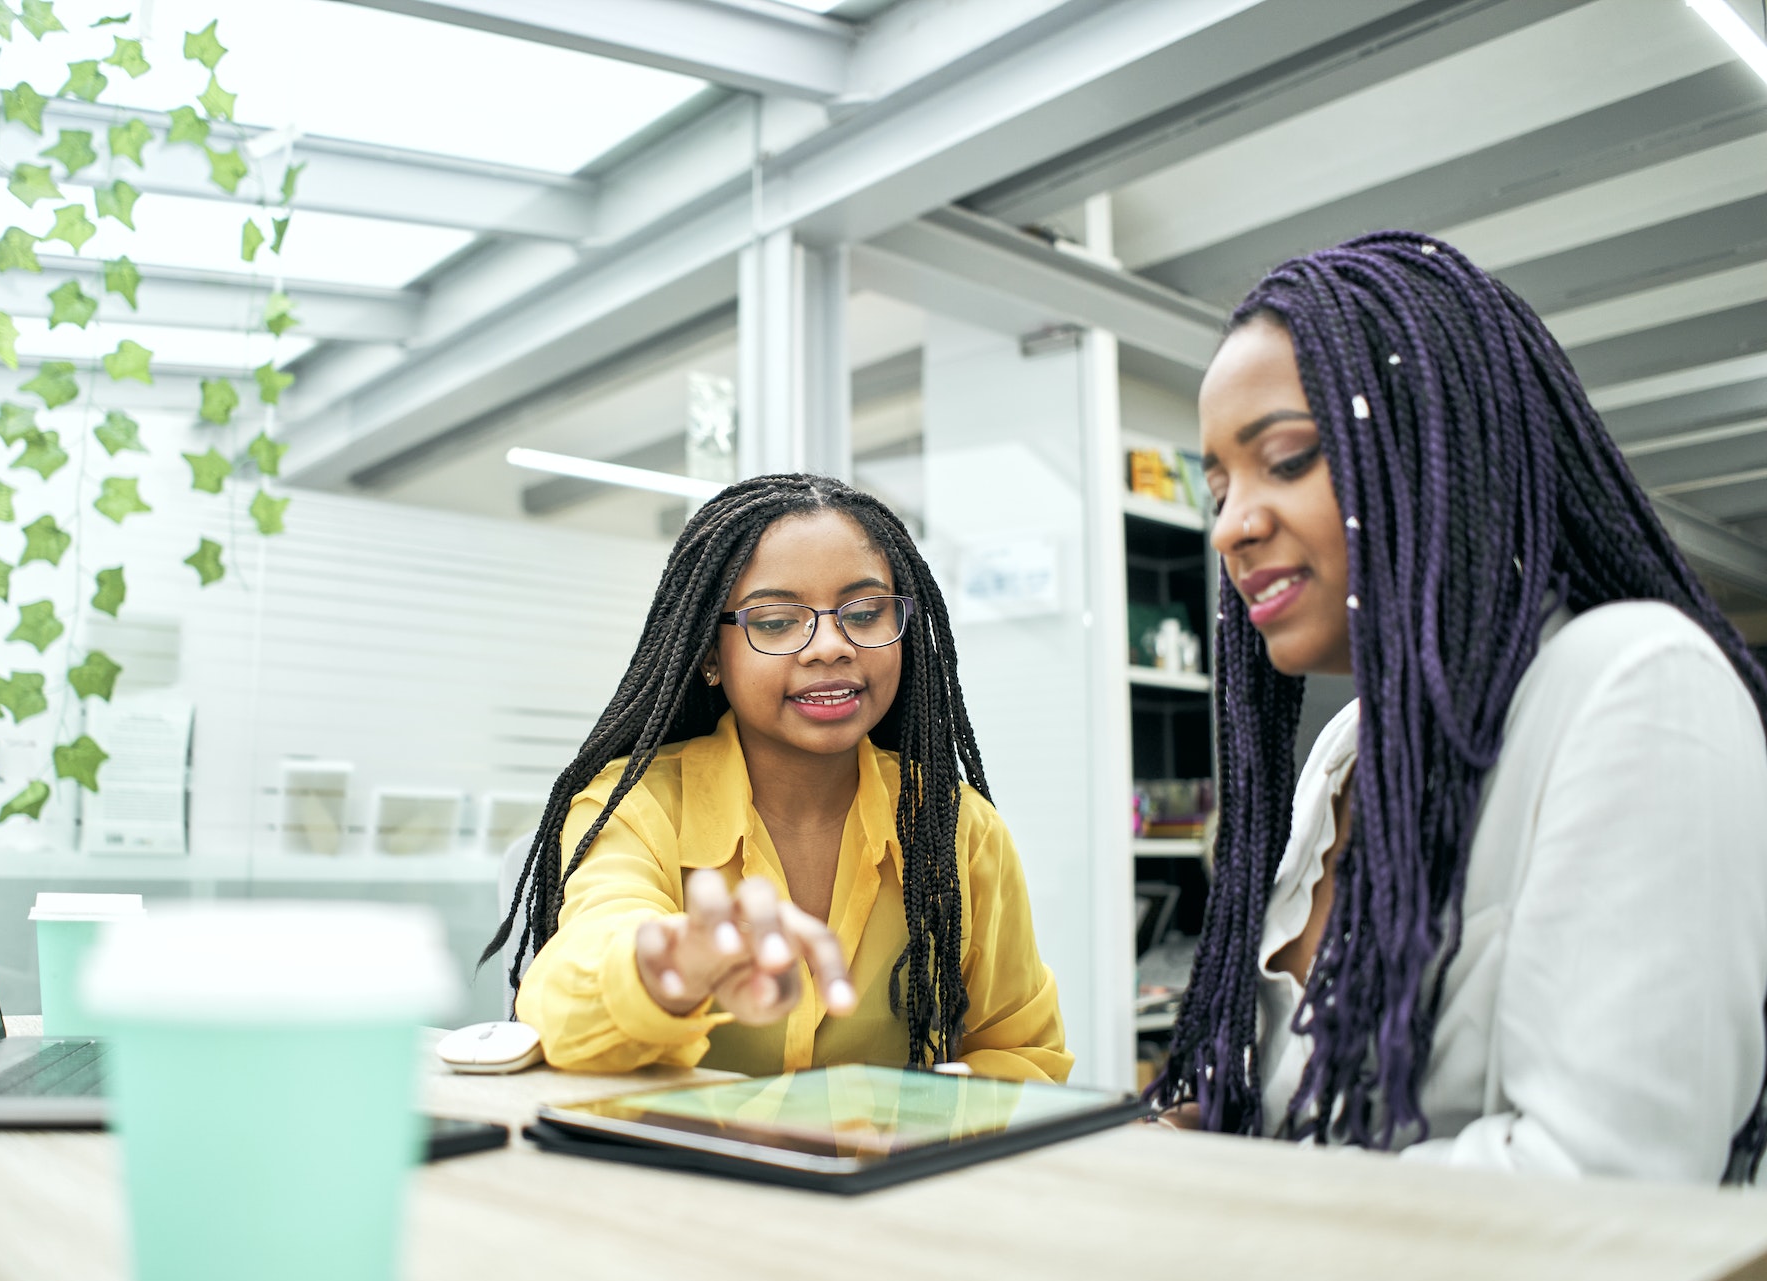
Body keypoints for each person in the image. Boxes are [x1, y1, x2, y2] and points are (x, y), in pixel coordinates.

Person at [1154, 231, 1767, 1183]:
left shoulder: (1638, 681)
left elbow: (1611, 1178)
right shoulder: (1347, 753)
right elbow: (1317, 1112)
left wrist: (1252, 1194)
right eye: (1219, 486)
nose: (1233, 524)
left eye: (1287, 459)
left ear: (1430, 448)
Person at [484, 474, 1070, 1082]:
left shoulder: (956, 826)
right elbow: (566, 991)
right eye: (775, 621)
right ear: (711, 654)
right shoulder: (635, 806)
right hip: (693, 1168)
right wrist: (670, 968)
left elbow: (1025, 1051)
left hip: (891, 1175)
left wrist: (953, 1114)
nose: (830, 646)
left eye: (865, 613)